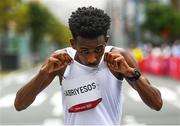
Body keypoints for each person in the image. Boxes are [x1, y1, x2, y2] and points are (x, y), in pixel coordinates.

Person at [14, 6, 163, 125]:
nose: (92, 58)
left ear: (106, 40)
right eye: (84, 51)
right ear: (73, 44)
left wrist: (131, 74)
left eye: (98, 49)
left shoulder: (119, 58)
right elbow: (19, 105)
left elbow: (157, 104)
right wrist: (42, 74)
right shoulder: (61, 61)